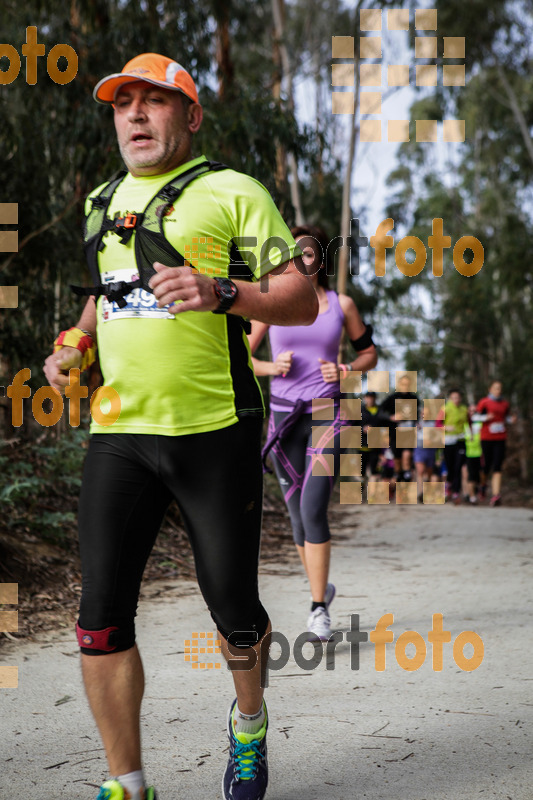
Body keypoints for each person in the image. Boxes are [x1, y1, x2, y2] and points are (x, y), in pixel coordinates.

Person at [43, 53, 318, 800]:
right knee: (99, 618)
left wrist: (222, 289)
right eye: (122, 102)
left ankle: (249, 727)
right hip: (120, 434)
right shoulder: (104, 200)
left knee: (233, 610)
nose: (134, 114)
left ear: (190, 116)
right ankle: (127, 783)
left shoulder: (232, 191)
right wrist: (73, 345)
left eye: (154, 102)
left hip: (215, 430)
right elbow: (106, 299)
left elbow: (299, 298)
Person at [248, 224, 377, 641]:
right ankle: (321, 587)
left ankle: (318, 608)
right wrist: (270, 368)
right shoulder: (268, 298)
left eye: (307, 254)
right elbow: (238, 356)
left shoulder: (342, 304)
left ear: (320, 260)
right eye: (293, 254)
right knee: (296, 518)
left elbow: (369, 354)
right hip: (284, 417)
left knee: (312, 508)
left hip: (328, 411)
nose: (300, 261)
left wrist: (346, 369)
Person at [476, 380, 515, 506]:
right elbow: (474, 417)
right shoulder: (484, 402)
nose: (498, 391)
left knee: (497, 466)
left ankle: (495, 495)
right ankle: (483, 485)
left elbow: (506, 417)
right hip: (487, 437)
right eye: (496, 388)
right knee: (486, 466)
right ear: (490, 389)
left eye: (500, 388)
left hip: (500, 438)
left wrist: (511, 419)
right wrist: (485, 418)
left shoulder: (505, 404)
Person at [379, 373, 420, 481]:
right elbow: (380, 412)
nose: (405, 387)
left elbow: (417, 415)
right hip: (395, 434)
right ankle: (398, 477)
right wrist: (391, 417)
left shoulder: (414, 398)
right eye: (403, 384)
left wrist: (417, 423)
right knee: (397, 462)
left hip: (409, 434)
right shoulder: (392, 398)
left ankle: (406, 485)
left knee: (407, 458)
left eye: (408, 384)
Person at [437, 388, 469, 504]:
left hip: (461, 440)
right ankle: (449, 484)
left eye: (458, 398)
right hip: (448, 441)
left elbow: (468, 423)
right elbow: (438, 424)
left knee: (458, 466)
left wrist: (469, 434)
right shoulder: (445, 408)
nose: (456, 400)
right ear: (450, 398)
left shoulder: (464, 409)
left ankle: (456, 492)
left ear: (460, 399)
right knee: (450, 467)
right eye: (453, 398)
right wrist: (445, 428)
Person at [464, 404, 484, 504]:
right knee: (470, 476)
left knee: (481, 475)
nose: (472, 413)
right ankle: (472, 497)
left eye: (474, 411)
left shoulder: (481, 423)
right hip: (469, 454)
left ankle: (480, 490)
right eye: (470, 411)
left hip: (481, 453)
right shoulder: (464, 424)